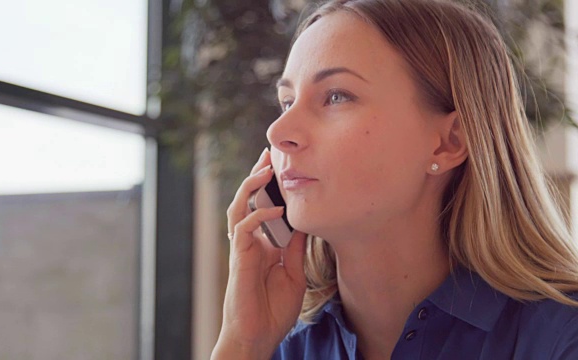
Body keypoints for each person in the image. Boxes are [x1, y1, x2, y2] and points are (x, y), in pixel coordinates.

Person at [211, 0, 578, 359]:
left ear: (450, 142)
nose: (278, 131)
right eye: (287, 101)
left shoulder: (561, 338)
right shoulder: (276, 343)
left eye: (336, 96)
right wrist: (243, 345)